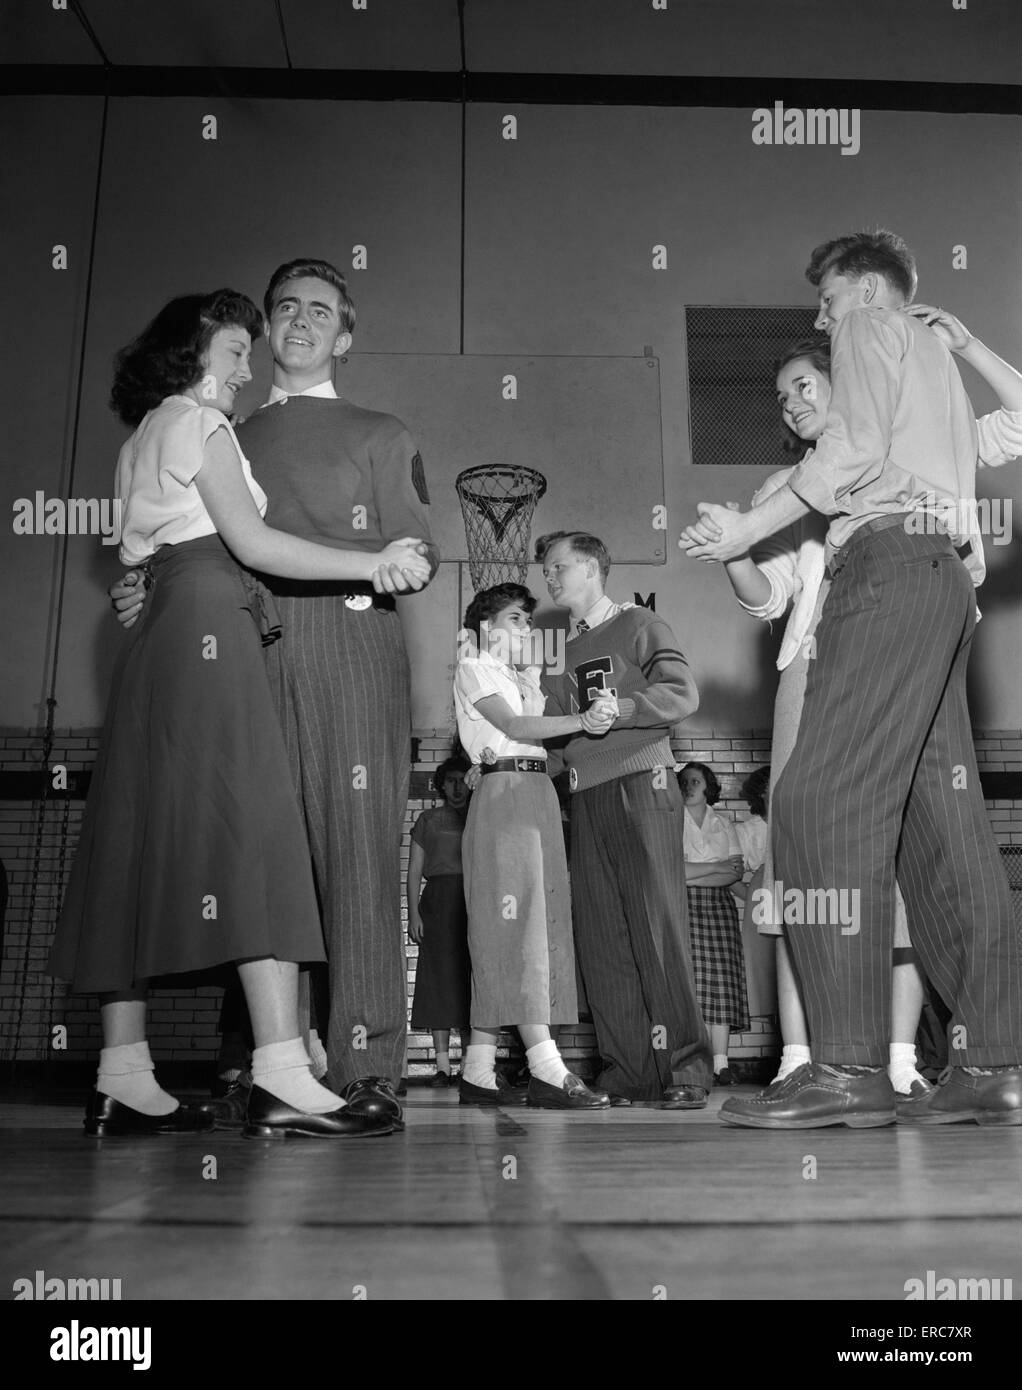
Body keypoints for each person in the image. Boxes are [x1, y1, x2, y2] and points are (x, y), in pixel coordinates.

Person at [50, 289, 430, 1139]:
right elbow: (243, 546)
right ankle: (275, 1066)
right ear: (199, 353)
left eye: (321, 310)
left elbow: (159, 547)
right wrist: (370, 566)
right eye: (243, 341)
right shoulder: (216, 424)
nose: (259, 352)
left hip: (286, 646)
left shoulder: (370, 428)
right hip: (230, 644)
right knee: (260, 842)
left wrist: (145, 589)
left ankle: (141, 1070)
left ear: (347, 333)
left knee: (149, 841)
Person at [680, 230, 1022, 1128]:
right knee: (939, 827)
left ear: (868, 288)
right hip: (940, 583)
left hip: (887, 566)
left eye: (827, 302)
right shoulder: (935, 371)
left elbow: (855, 449)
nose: (824, 322)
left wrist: (745, 534)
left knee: (818, 801)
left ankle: (845, 1065)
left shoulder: (873, 325)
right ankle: (991, 1062)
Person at [706, 339, 929, 1096]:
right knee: (797, 864)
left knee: (895, 863)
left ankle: (899, 1063)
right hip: (809, 669)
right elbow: (769, 600)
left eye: (803, 385)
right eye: (782, 395)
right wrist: (729, 545)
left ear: (848, 388)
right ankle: (799, 1059)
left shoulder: (898, 454)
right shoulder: (785, 486)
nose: (791, 401)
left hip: (891, 654)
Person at [535, 532, 714, 1107]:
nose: (550, 578)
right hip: (585, 798)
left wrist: (628, 708)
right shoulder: (560, 654)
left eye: (558, 566)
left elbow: (682, 693)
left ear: (591, 568)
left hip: (644, 783)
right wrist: (509, 765)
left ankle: (685, 1069)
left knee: (657, 929)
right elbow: (558, 739)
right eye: (546, 570)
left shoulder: (642, 624)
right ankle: (628, 1070)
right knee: (602, 938)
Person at [454, 583, 614, 1109]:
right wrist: (581, 720)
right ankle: (546, 1067)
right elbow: (514, 726)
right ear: (488, 626)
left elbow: (542, 739)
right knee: (516, 924)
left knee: (527, 925)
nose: (527, 629)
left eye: (529, 620)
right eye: (518, 619)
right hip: (504, 792)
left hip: (537, 790)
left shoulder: (527, 677)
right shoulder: (474, 666)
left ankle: (478, 1068)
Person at [678, 763, 749, 1086]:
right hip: (683, 906)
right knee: (690, 985)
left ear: (709, 787)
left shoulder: (723, 822)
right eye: (684, 781)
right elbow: (673, 871)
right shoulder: (670, 819)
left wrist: (699, 871)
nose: (689, 786)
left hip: (720, 908)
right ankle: (692, 1059)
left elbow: (734, 872)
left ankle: (721, 1064)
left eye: (696, 781)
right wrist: (716, 868)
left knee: (720, 984)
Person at [407, 756, 473, 1086]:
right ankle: (444, 1067)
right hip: (436, 904)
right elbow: (415, 871)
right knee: (438, 983)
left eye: (462, 779)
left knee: (469, 982)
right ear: (441, 784)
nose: (457, 786)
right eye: (450, 780)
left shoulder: (480, 815)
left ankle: (473, 1066)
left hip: (473, 903)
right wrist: (413, 913)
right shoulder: (427, 820)